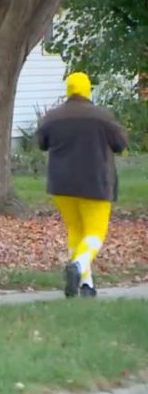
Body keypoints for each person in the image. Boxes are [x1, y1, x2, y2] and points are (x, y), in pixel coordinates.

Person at [37, 72, 127, 298]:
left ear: (68, 90)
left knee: (76, 231)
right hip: (95, 183)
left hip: (61, 186)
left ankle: (86, 285)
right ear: (88, 90)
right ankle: (77, 266)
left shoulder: (52, 117)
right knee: (95, 233)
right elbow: (119, 144)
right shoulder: (101, 117)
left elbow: (41, 143)